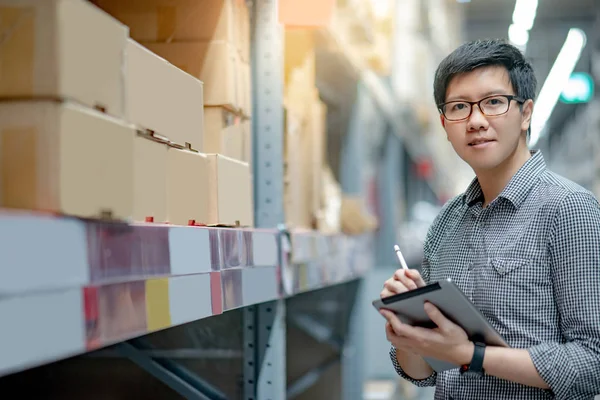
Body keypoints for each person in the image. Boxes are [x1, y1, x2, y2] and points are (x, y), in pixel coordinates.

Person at [380, 39, 600, 400]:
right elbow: (425, 374)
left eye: (494, 102)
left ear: (525, 113)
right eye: (459, 107)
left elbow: (593, 362)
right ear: (444, 122)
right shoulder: (446, 223)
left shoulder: (569, 209)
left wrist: (470, 355)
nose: (476, 121)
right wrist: (409, 332)